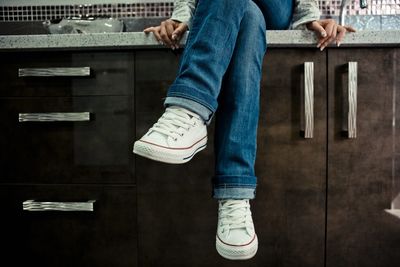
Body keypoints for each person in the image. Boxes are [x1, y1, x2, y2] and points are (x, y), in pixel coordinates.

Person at [133, 0, 355, 260]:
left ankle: (190, 107)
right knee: (248, 16)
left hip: (277, 8)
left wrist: (308, 17)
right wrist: (183, 16)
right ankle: (234, 193)